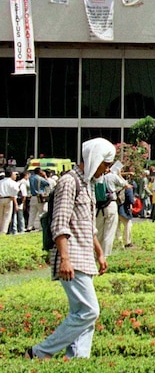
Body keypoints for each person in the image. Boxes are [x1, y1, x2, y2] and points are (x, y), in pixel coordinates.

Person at [27, 138, 113, 359]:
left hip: (85, 256)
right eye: (106, 163)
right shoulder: (69, 182)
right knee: (89, 311)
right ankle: (40, 351)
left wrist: (99, 253)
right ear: (94, 159)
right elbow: (59, 223)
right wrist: (64, 258)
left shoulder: (87, 184)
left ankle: (76, 360)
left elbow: (87, 225)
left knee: (82, 315)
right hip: (72, 256)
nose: (108, 169)